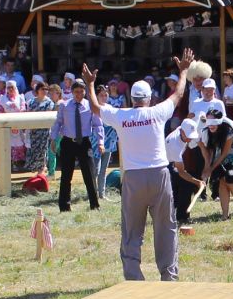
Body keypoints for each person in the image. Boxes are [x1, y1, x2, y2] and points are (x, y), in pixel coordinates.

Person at [81, 58, 186, 281]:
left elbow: (95, 107)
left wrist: (90, 84)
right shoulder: (157, 112)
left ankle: (133, 276)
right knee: (166, 227)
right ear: (148, 98)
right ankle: (169, 275)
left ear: (132, 98)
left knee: (131, 229)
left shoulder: (122, 116)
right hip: (159, 174)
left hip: (133, 177)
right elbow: (177, 95)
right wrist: (184, 70)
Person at [54, 76, 100, 211]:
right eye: (76, 92)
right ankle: (64, 206)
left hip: (84, 142)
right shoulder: (64, 105)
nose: (79, 94)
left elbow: (98, 125)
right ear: (72, 92)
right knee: (66, 176)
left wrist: (101, 142)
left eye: (81, 91)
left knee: (89, 175)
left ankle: (94, 204)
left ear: (85, 92)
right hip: (68, 142)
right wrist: (53, 138)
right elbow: (58, 122)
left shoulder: (90, 106)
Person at [166, 117, 204, 236]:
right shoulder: (174, 144)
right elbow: (182, 172)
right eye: (188, 136)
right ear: (181, 131)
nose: (189, 139)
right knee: (178, 187)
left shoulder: (183, 130)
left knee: (184, 185)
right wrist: (197, 182)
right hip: (165, 166)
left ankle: (182, 216)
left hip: (172, 164)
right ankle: (175, 217)